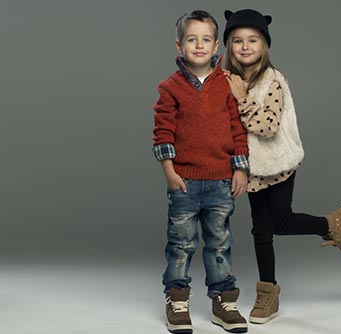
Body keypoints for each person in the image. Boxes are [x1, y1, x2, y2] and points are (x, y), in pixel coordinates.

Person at [222, 8, 341, 324]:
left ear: (264, 44)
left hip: (278, 163)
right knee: (261, 230)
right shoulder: (230, 78)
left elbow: (268, 126)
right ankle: (267, 293)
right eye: (238, 40)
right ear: (229, 45)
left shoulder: (273, 79)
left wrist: (242, 97)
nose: (244, 46)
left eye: (252, 40)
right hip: (253, 169)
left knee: (281, 223)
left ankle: (332, 224)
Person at [152, 10, 250, 334]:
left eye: (206, 39)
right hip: (185, 181)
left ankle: (223, 300)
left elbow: (238, 129)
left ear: (215, 44)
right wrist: (169, 171)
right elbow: (163, 132)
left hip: (222, 180)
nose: (199, 45)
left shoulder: (227, 85)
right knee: (181, 243)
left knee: (219, 241)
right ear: (179, 45)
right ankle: (177, 298)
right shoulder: (170, 87)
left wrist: (240, 168)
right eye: (192, 39)